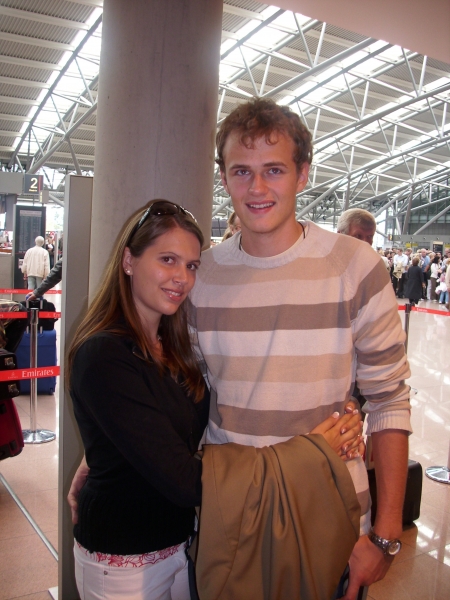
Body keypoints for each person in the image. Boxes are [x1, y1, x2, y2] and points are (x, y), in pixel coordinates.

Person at [67, 199, 362, 600]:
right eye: (167, 260)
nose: (182, 278)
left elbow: (161, 432)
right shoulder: (104, 354)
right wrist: (311, 455)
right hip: (123, 558)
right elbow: (184, 480)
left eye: (191, 265)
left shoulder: (173, 346)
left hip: (182, 545)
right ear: (128, 261)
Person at [189, 98, 410, 600]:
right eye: (241, 172)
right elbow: (187, 392)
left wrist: (384, 536)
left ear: (302, 174)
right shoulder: (203, 276)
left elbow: (389, 399)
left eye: (274, 170)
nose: (257, 188)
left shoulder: (355, 266)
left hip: (331, 515)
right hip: (231, 515)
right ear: (223, 178)